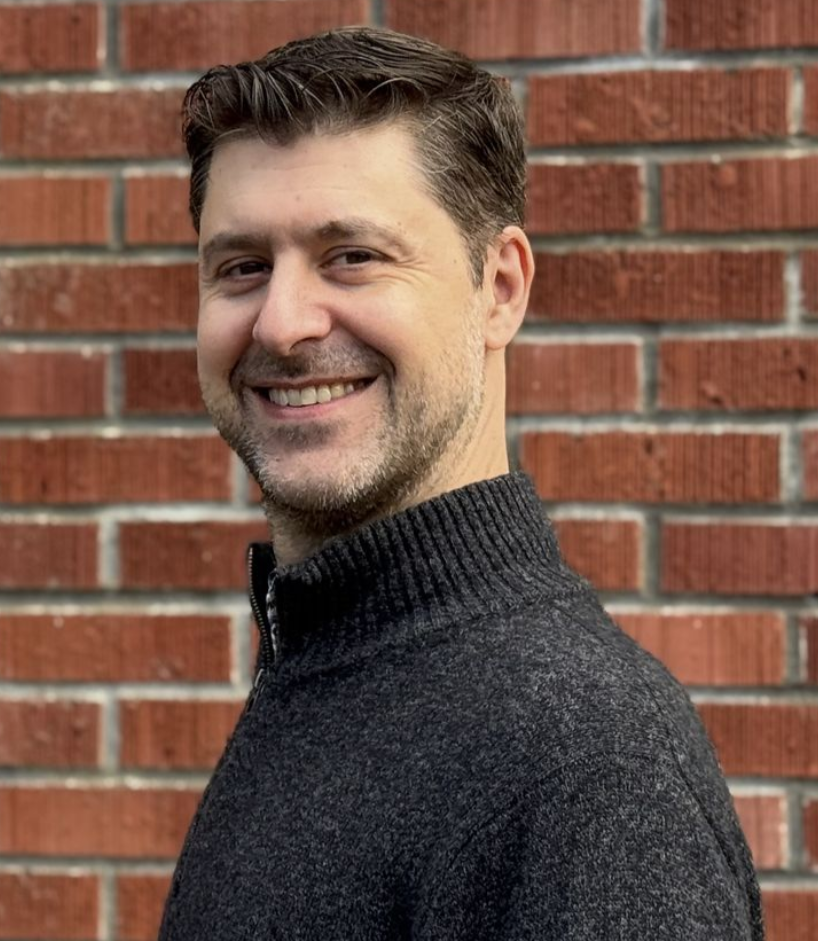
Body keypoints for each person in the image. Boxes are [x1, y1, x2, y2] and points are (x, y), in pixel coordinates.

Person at [158, 26, 763, 941]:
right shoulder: (332, 666)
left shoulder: (583, 766)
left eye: (351, 255)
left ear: (500, 288)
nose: (281, 322)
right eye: (242, 266)